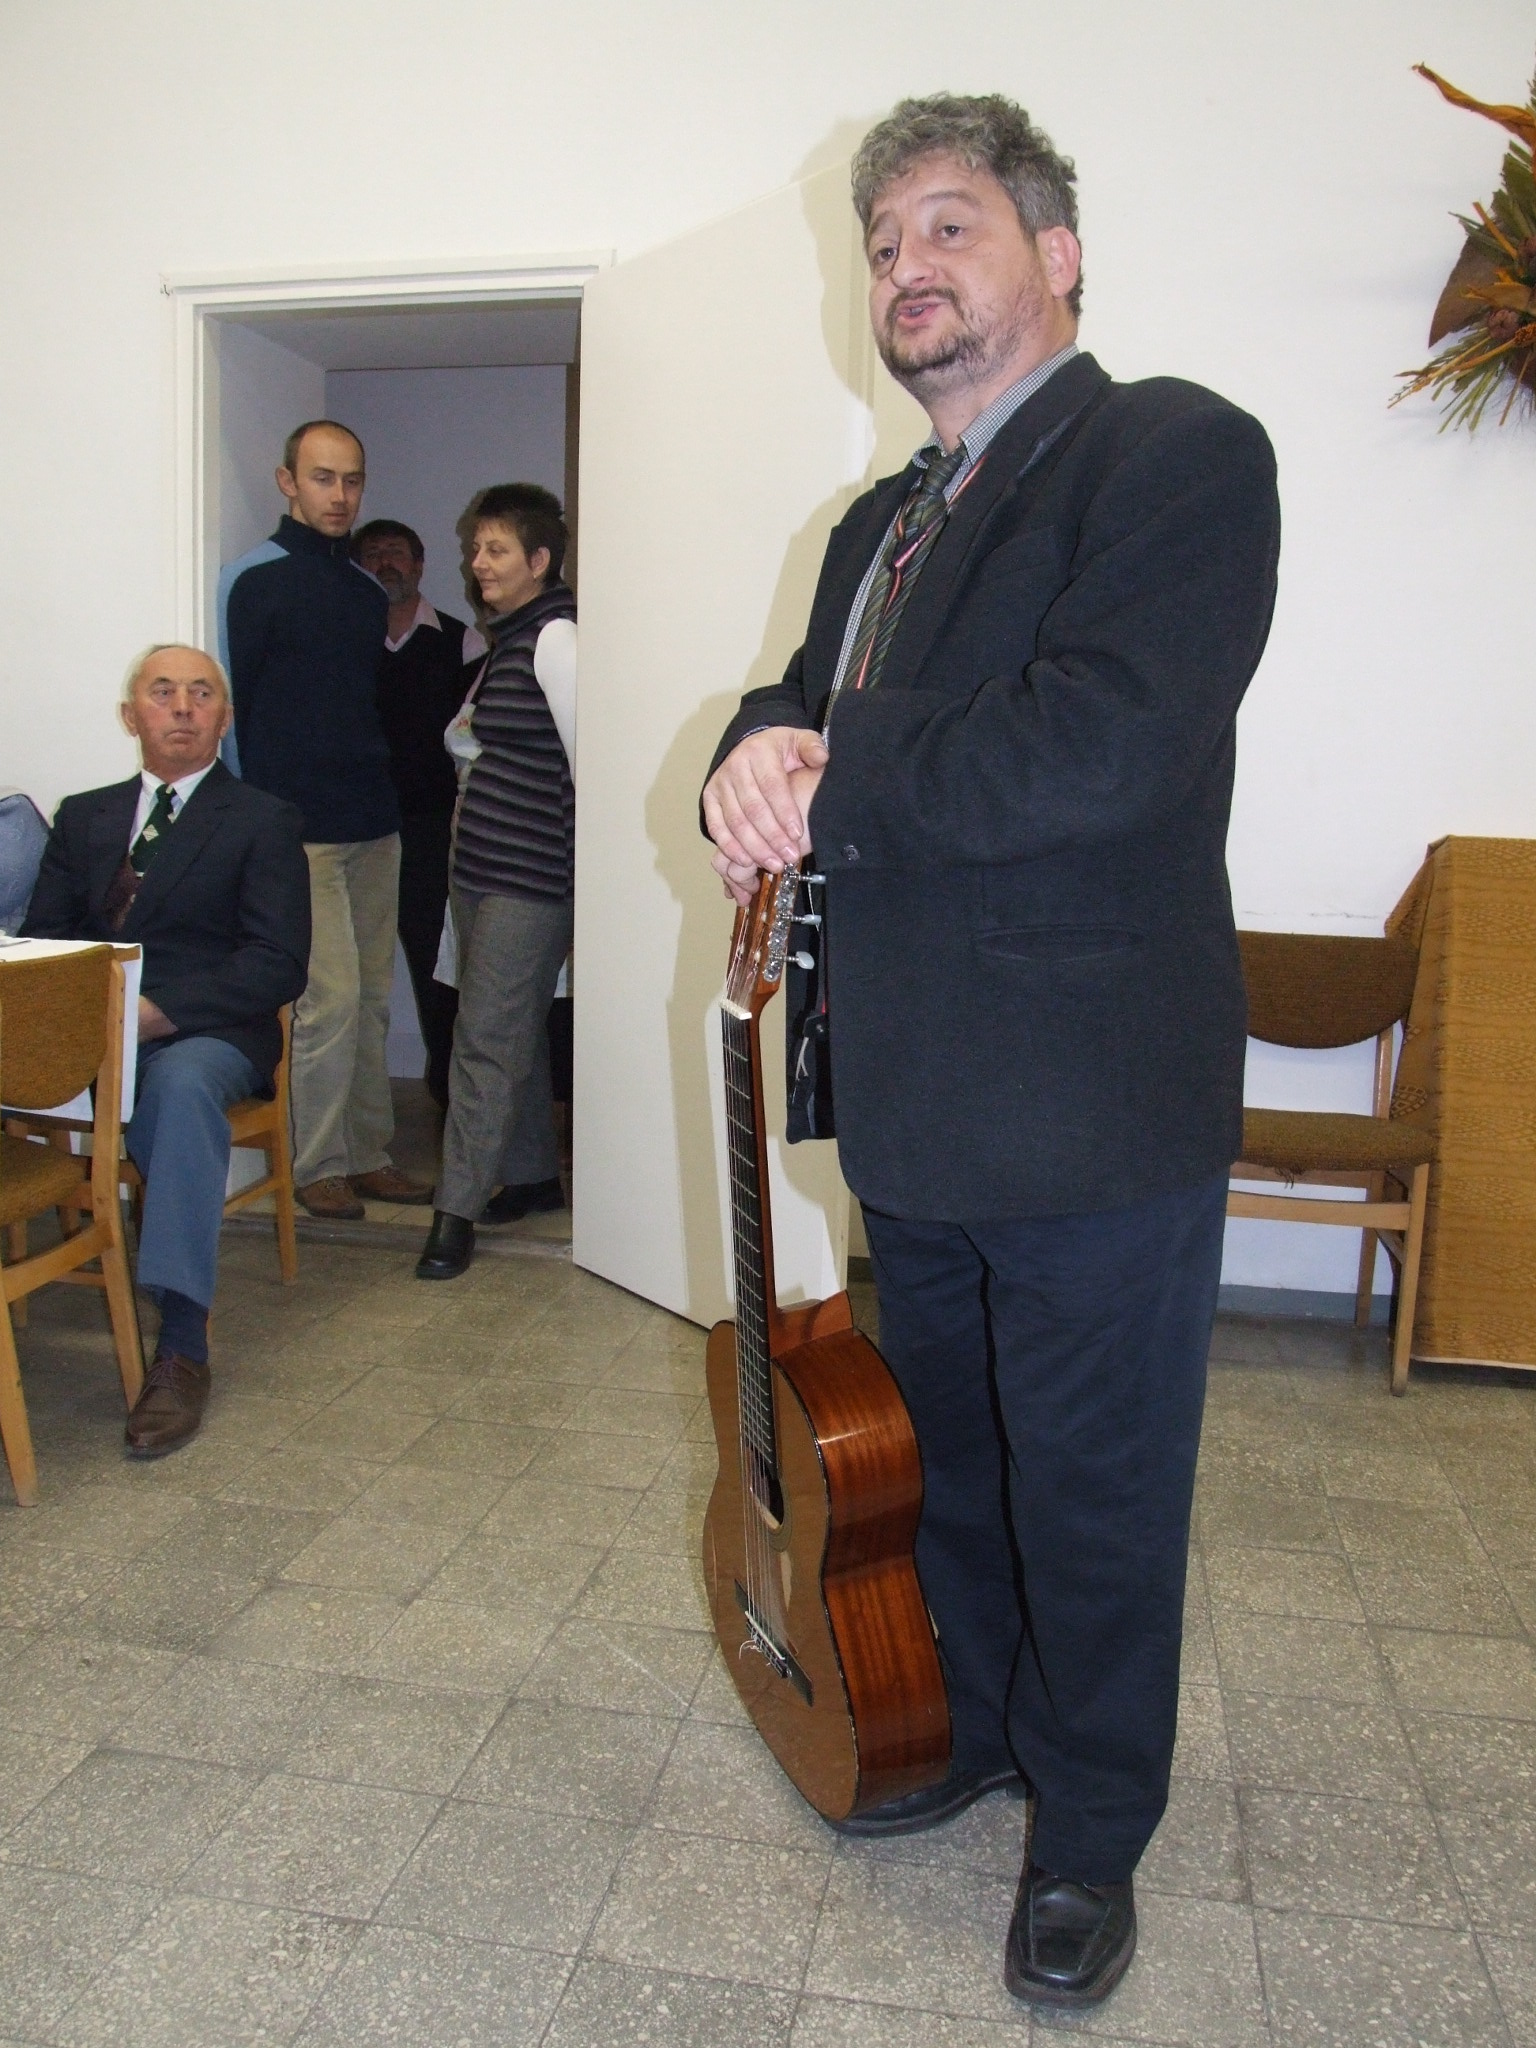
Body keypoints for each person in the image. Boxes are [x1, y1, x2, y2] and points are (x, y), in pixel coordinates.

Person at [702, 94, 1280, 2010]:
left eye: (950, 225)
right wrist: (748, 754)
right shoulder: (875, 525)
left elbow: (1102, 737)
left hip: (1094, 1106)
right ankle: (980, 1730)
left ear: (1059, 252)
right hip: (912, 1101)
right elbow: (804, 707)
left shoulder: (1173, 452)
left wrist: (825, 762)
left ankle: (1090, 1831)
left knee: (1093, 1490)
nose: (906, 267)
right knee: (946, 1466)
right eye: (882, 243)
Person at [22, 645, 310, 1455]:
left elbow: (278, 962)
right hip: (94, 1030)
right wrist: (89, 1018)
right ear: (131, 715)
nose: (182, 707)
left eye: (201, 694)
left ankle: (182, 1345)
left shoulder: (262, 819)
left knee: (177, 1093)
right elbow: (47, 940)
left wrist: (157, 1015)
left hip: (209, 1030)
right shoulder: (84, 816)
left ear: (224, 718)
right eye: (163, 692)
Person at [219, 420, 432, 1221]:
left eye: (351, 480)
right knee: (330, 1000)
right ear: (287, 482)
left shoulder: (362, 592)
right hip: (295, 831)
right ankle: (317, 1166)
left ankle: (368, 1153)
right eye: (322, 478)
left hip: (373, 820)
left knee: (372, 998)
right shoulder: (250, 581)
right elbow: (235, 714)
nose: (339, 495)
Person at [415, 483, 576, 1281]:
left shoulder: (557, 640)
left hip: (530, 879)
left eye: (496, 549)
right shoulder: (510, 642)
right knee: (515, 1030)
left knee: (482, 1040)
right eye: (475, 548)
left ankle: (456, 1212)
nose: (477, 563)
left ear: (539, 560)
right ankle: (534, 1176)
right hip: (480, 874)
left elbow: (591, 766)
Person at [352, 517, 486, 1107]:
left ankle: (451, 1095)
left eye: (397, 552)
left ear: (420, 564)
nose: (386, 563)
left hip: (432, 831)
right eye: (373, 553)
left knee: (438, 966)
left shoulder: (464, 643)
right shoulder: (343, 642)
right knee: (354, 973)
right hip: (358, 826)